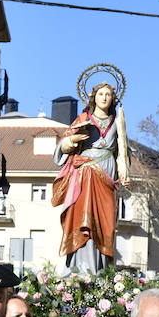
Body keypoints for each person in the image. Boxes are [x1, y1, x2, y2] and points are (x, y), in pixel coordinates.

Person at [55, 81, 130, 273]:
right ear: (93, 97)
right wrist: (72, 140)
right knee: (83, 217)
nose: (104, 98)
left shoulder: (117, 121)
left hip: (107, 175)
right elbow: (63, 144)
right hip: (85, 173)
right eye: (101, 94)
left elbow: (123, 150)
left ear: (113, 98)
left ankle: (102, 268)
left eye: (108, 95)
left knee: (105, 222)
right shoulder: (83, 118)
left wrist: (124, 170)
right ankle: (80, 268)